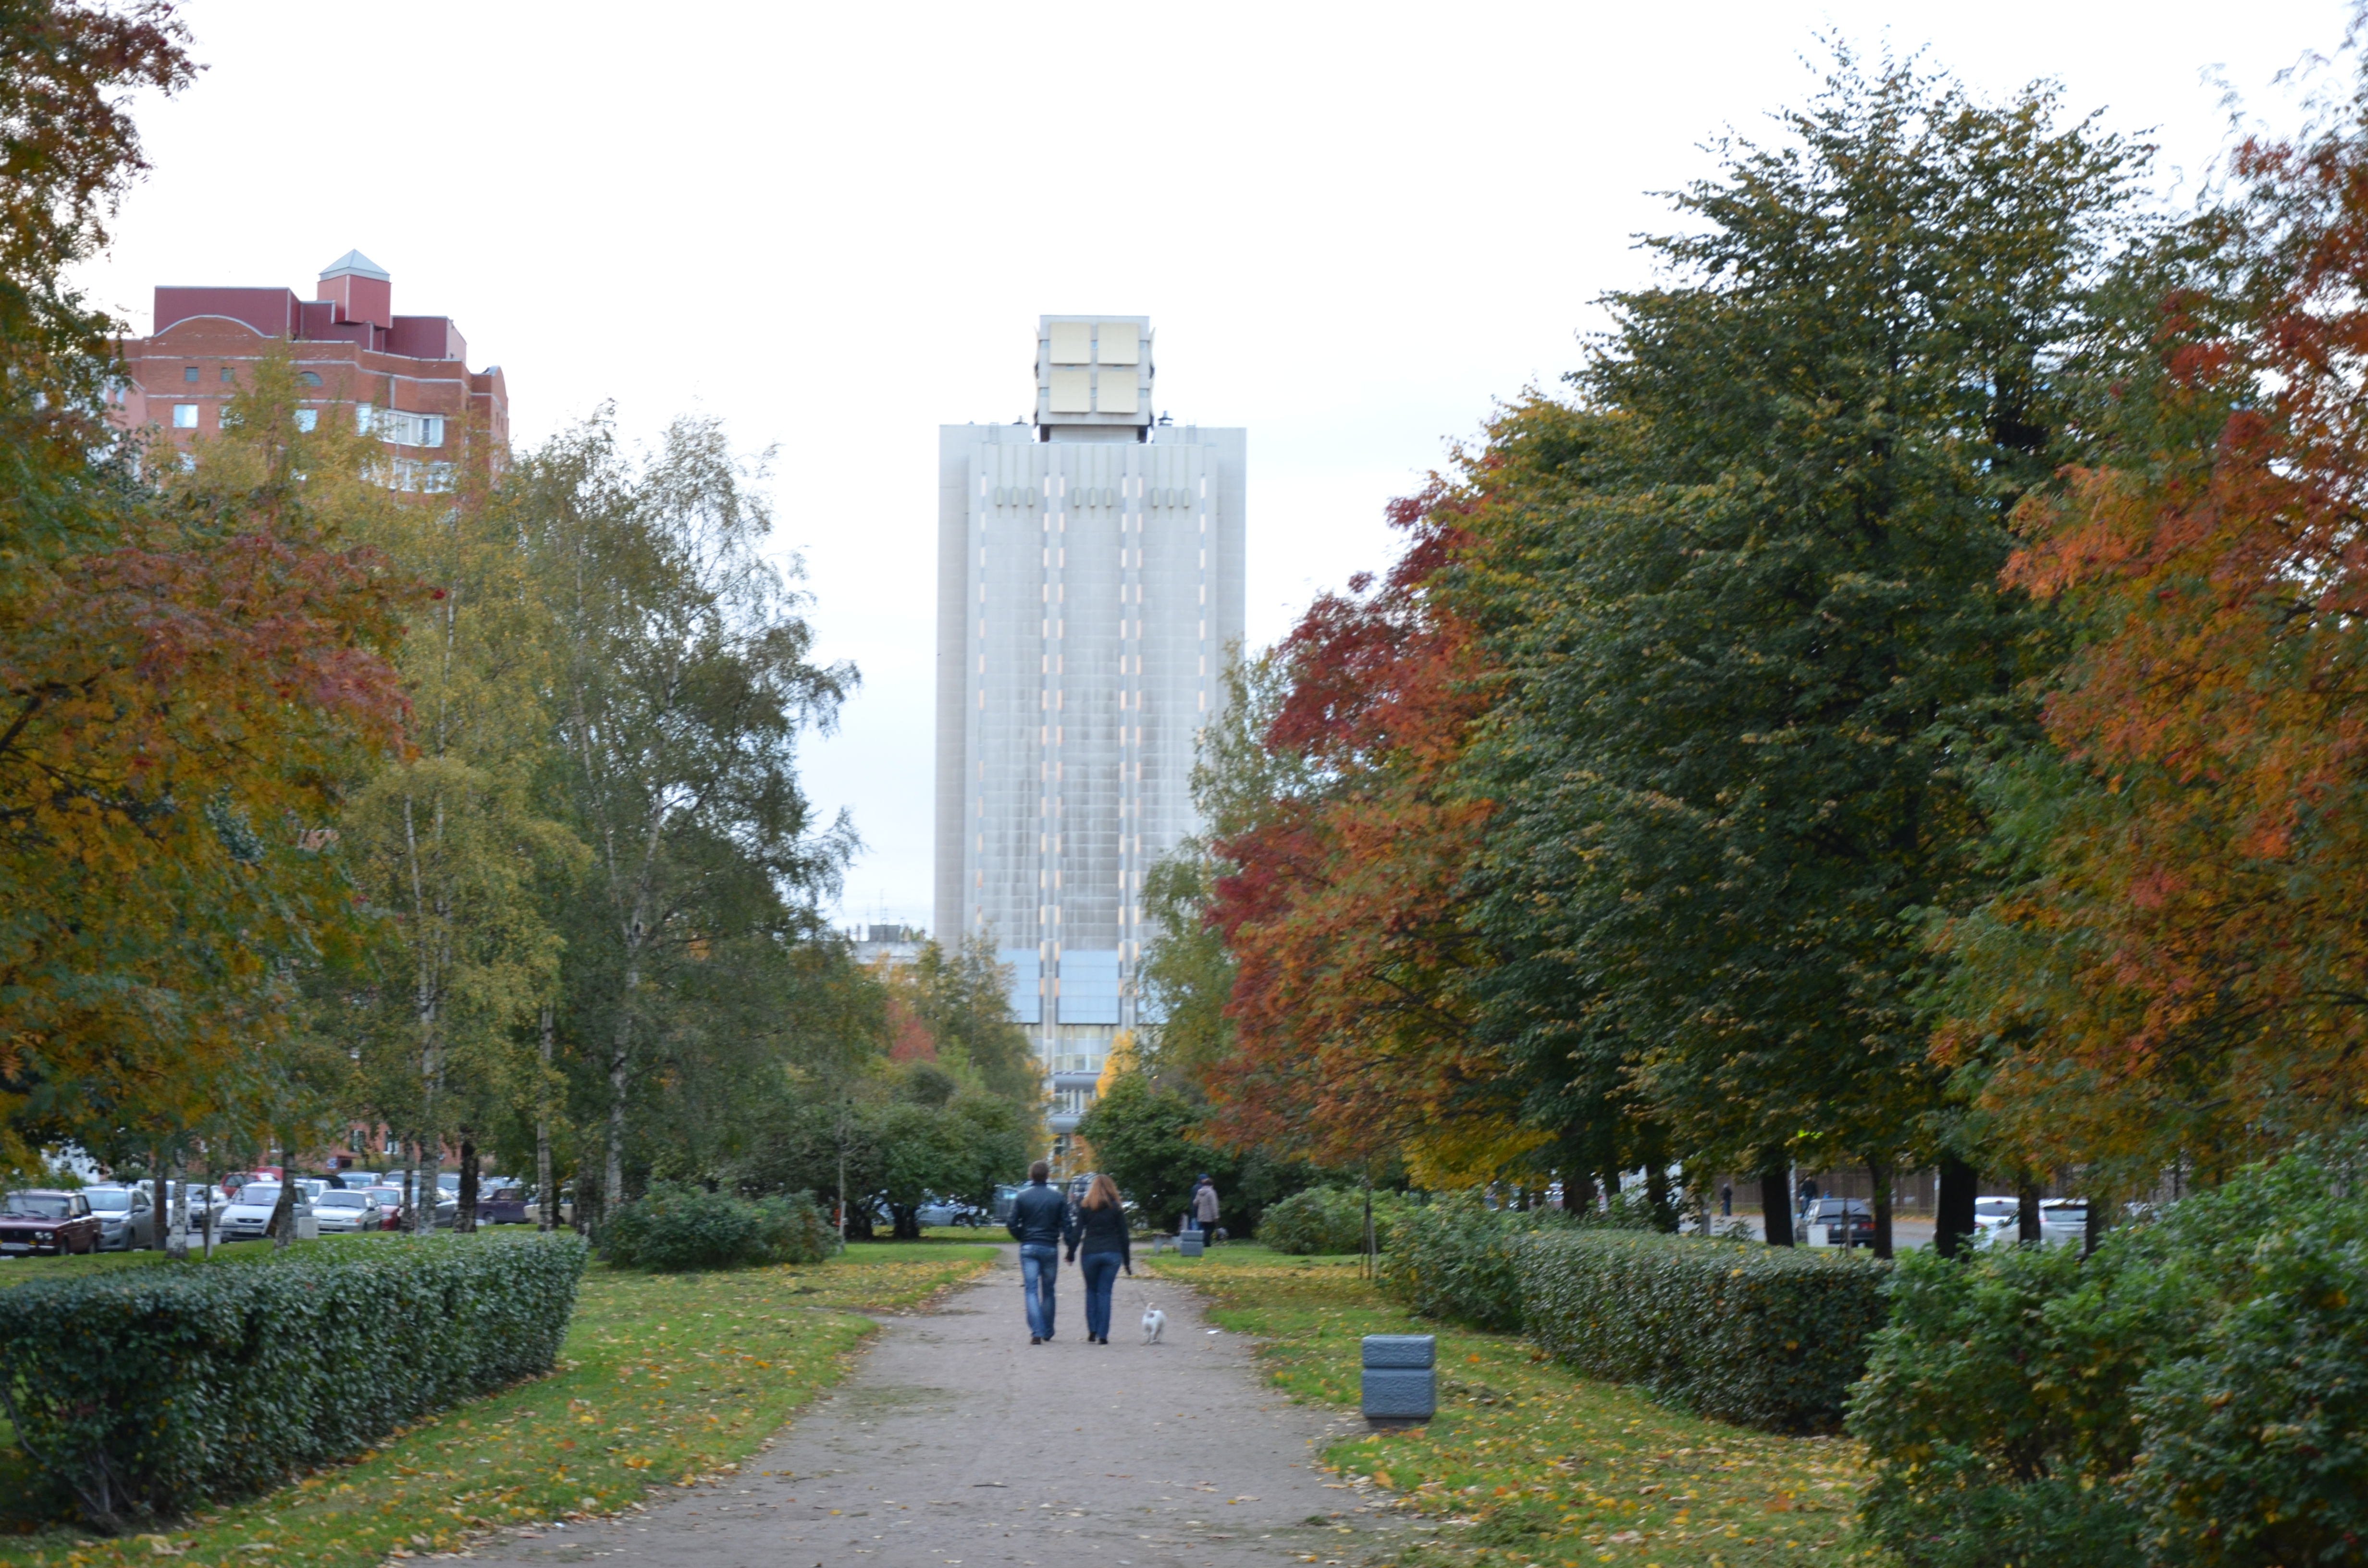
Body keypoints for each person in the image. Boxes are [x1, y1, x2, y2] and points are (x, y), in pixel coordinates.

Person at [1006, 1160, 1074, 1343]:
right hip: (1050, 1247)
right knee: (1049, 1290)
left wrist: (1023, 1236)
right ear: (1048, 1176)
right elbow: (1067, 1225)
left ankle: (1036, 1331)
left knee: (1031, 1290)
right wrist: (1070, 1248)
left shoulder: (1022, 1197)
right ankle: (1048, 1330)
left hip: (1029, 1246)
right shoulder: (1058, 1197)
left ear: (1031, 1175)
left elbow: (1011, 1222)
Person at [1067, 1174, 1131, 1344]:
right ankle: (1103, 1335)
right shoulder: (1116, 1208)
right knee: (1105, 1293)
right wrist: (1127, 1261)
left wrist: (1071, 1253)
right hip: (1112, 1253)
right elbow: (1124, 1236)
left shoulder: (1086, 1206)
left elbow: (1077, 1233)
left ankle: (1093, 1331)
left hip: (1090, 1253)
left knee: (1091, 1291)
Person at [1191, 1174, 1220, 1238]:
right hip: (1209, 1215)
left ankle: (1200, 1243)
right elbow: (1214, 1205)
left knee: (1199, 1230)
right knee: (1210, 1229)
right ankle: (1205, 1242)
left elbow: (1195, 1202)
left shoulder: (1198, 1191)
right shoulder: (1211, 1192)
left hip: (1200, 1214)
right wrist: (1216, 1216)